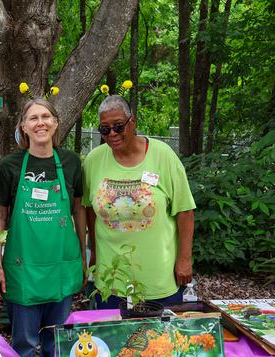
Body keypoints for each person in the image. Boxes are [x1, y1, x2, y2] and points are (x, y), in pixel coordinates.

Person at [0, 98, 86, 357]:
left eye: (46, 117)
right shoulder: (10, 166)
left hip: (61, 266)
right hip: (22, 269)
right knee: (23, 344)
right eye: (33, 118)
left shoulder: (70, 162)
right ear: (24, 126)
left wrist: (84, 258)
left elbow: (79, 211)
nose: (40, 123)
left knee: (54, 345)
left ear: (56, 123)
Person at [83, 95, 195, 309]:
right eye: (105, 129)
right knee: (112, 341)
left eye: (118, 126)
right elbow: (88, 208)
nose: (112, 134)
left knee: (160, 341)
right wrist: (94, 252)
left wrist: (184, 258)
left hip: (159, 278)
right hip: (110, 279)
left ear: (132, 122)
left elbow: (185, 211)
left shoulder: (163, 155)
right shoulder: (93, 161)